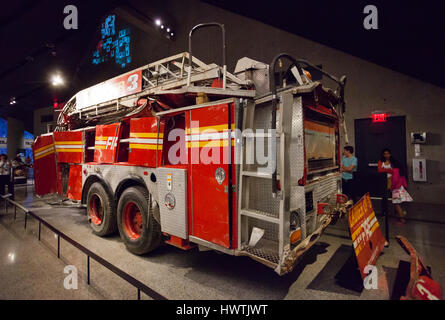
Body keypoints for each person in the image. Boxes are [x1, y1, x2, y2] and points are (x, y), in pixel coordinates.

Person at [391, 160, 412, 224]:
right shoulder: (401, 171)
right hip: (401, 188)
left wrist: (391, 187)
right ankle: (401, 216)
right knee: (400, 204)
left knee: (397, 205)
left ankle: (402, 220)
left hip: (396, 189)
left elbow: (394, 180)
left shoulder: (395, 171)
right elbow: (404, 181)